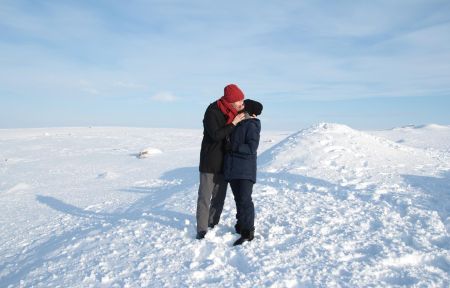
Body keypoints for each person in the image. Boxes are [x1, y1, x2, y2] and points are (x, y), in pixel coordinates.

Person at [196, 84, 246, 240]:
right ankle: (202, 229)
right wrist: (233, 123)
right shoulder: (213, 111)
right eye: (239, 101)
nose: (241, 104)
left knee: (219, 197)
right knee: (205, 196)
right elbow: (216, 135)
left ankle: (212, 223)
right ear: (231, 101)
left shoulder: (232, 112)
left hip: (225, 162)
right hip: (210, 161)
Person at [223, 99, 263, 246]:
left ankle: (248, 232)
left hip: (245, 170)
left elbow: (252, 147)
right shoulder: (239, 123)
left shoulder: (252, 125)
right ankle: (240, 226)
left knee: (245, 200)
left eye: (244, 106)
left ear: (250, 111)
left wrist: (232, 146)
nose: (241, 107)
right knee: (238, 199)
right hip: (234, 168)